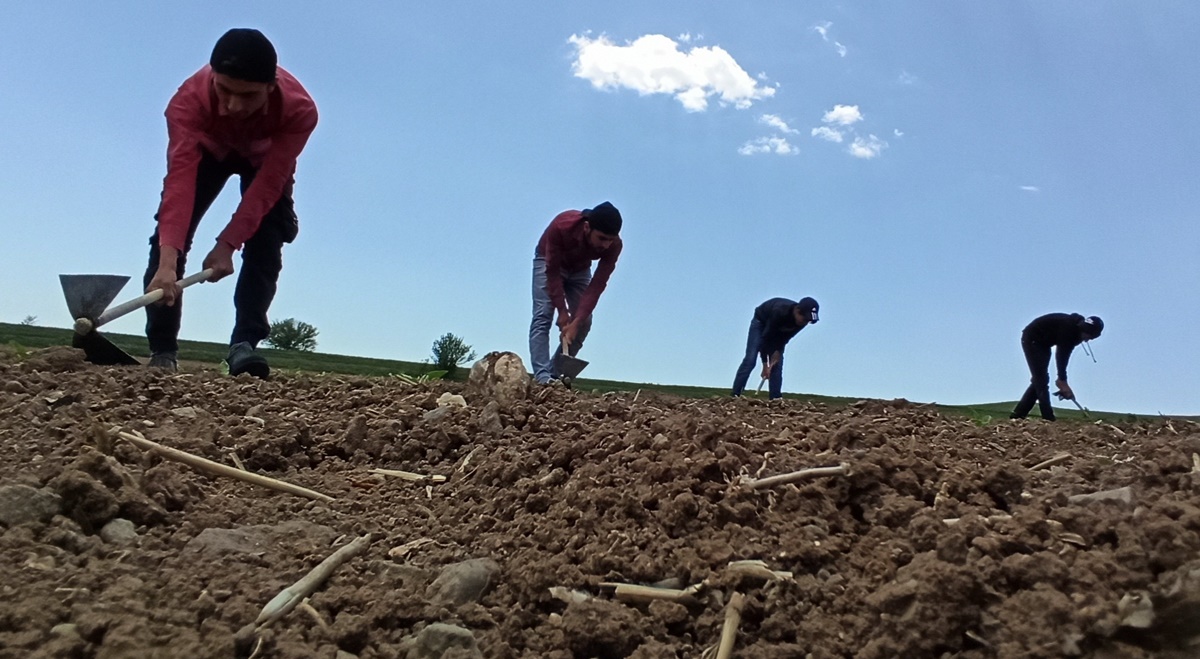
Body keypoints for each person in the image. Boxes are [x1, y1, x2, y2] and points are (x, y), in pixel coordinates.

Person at [142, 28, 318, 379]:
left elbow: (267, 186)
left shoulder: (299, 111)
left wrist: (227, 245)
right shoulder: (186, 103)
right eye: (224, 91)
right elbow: (179, 185)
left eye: (248, 95)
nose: (234, 106)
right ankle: (162, 350)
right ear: (212, 77)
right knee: (168, 240)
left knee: (266, 238)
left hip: (263, 161)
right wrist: (167, 263)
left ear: (271, 87)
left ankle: (244, 345)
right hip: (210, 152)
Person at [529, 202, 623, 385]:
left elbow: (597, 285)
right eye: (602, 238)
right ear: (587, 227)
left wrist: (576, 322)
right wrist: (562, 312)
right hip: (548, 262)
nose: (606, 245)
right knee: (543, 314)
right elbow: (552, 272)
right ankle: (542, 377)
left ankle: (555, 376)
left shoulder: (614, 246)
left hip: (580, 269)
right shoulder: (561, 226)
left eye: (610, 240)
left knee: (584, 323)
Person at [1010, 313, 1104, 421]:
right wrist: (1062, 380)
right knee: (1041, 379)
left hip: (1044, 344)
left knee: (1039, 380)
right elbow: (1062, 355)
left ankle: (1018, 415)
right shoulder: (1069, 328)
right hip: (1032, 338)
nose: (1087, 340)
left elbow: (1064, 354)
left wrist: (1062, 380)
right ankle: (1048, 417)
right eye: (1088, 336)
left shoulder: (1078, 333)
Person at [731, 297, 819, 400]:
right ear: (797, 311)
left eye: (808, 321)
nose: (805, 323)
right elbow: (766, 338)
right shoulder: (779, 311)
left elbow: (785, 337)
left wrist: (777, 352)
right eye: (804, 319)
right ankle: (736, 394)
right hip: (761, 322)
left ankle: (775, 398)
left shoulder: (801, 322)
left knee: (776, 363)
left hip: (777, 331)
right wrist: (765, 364)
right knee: (750, 360)